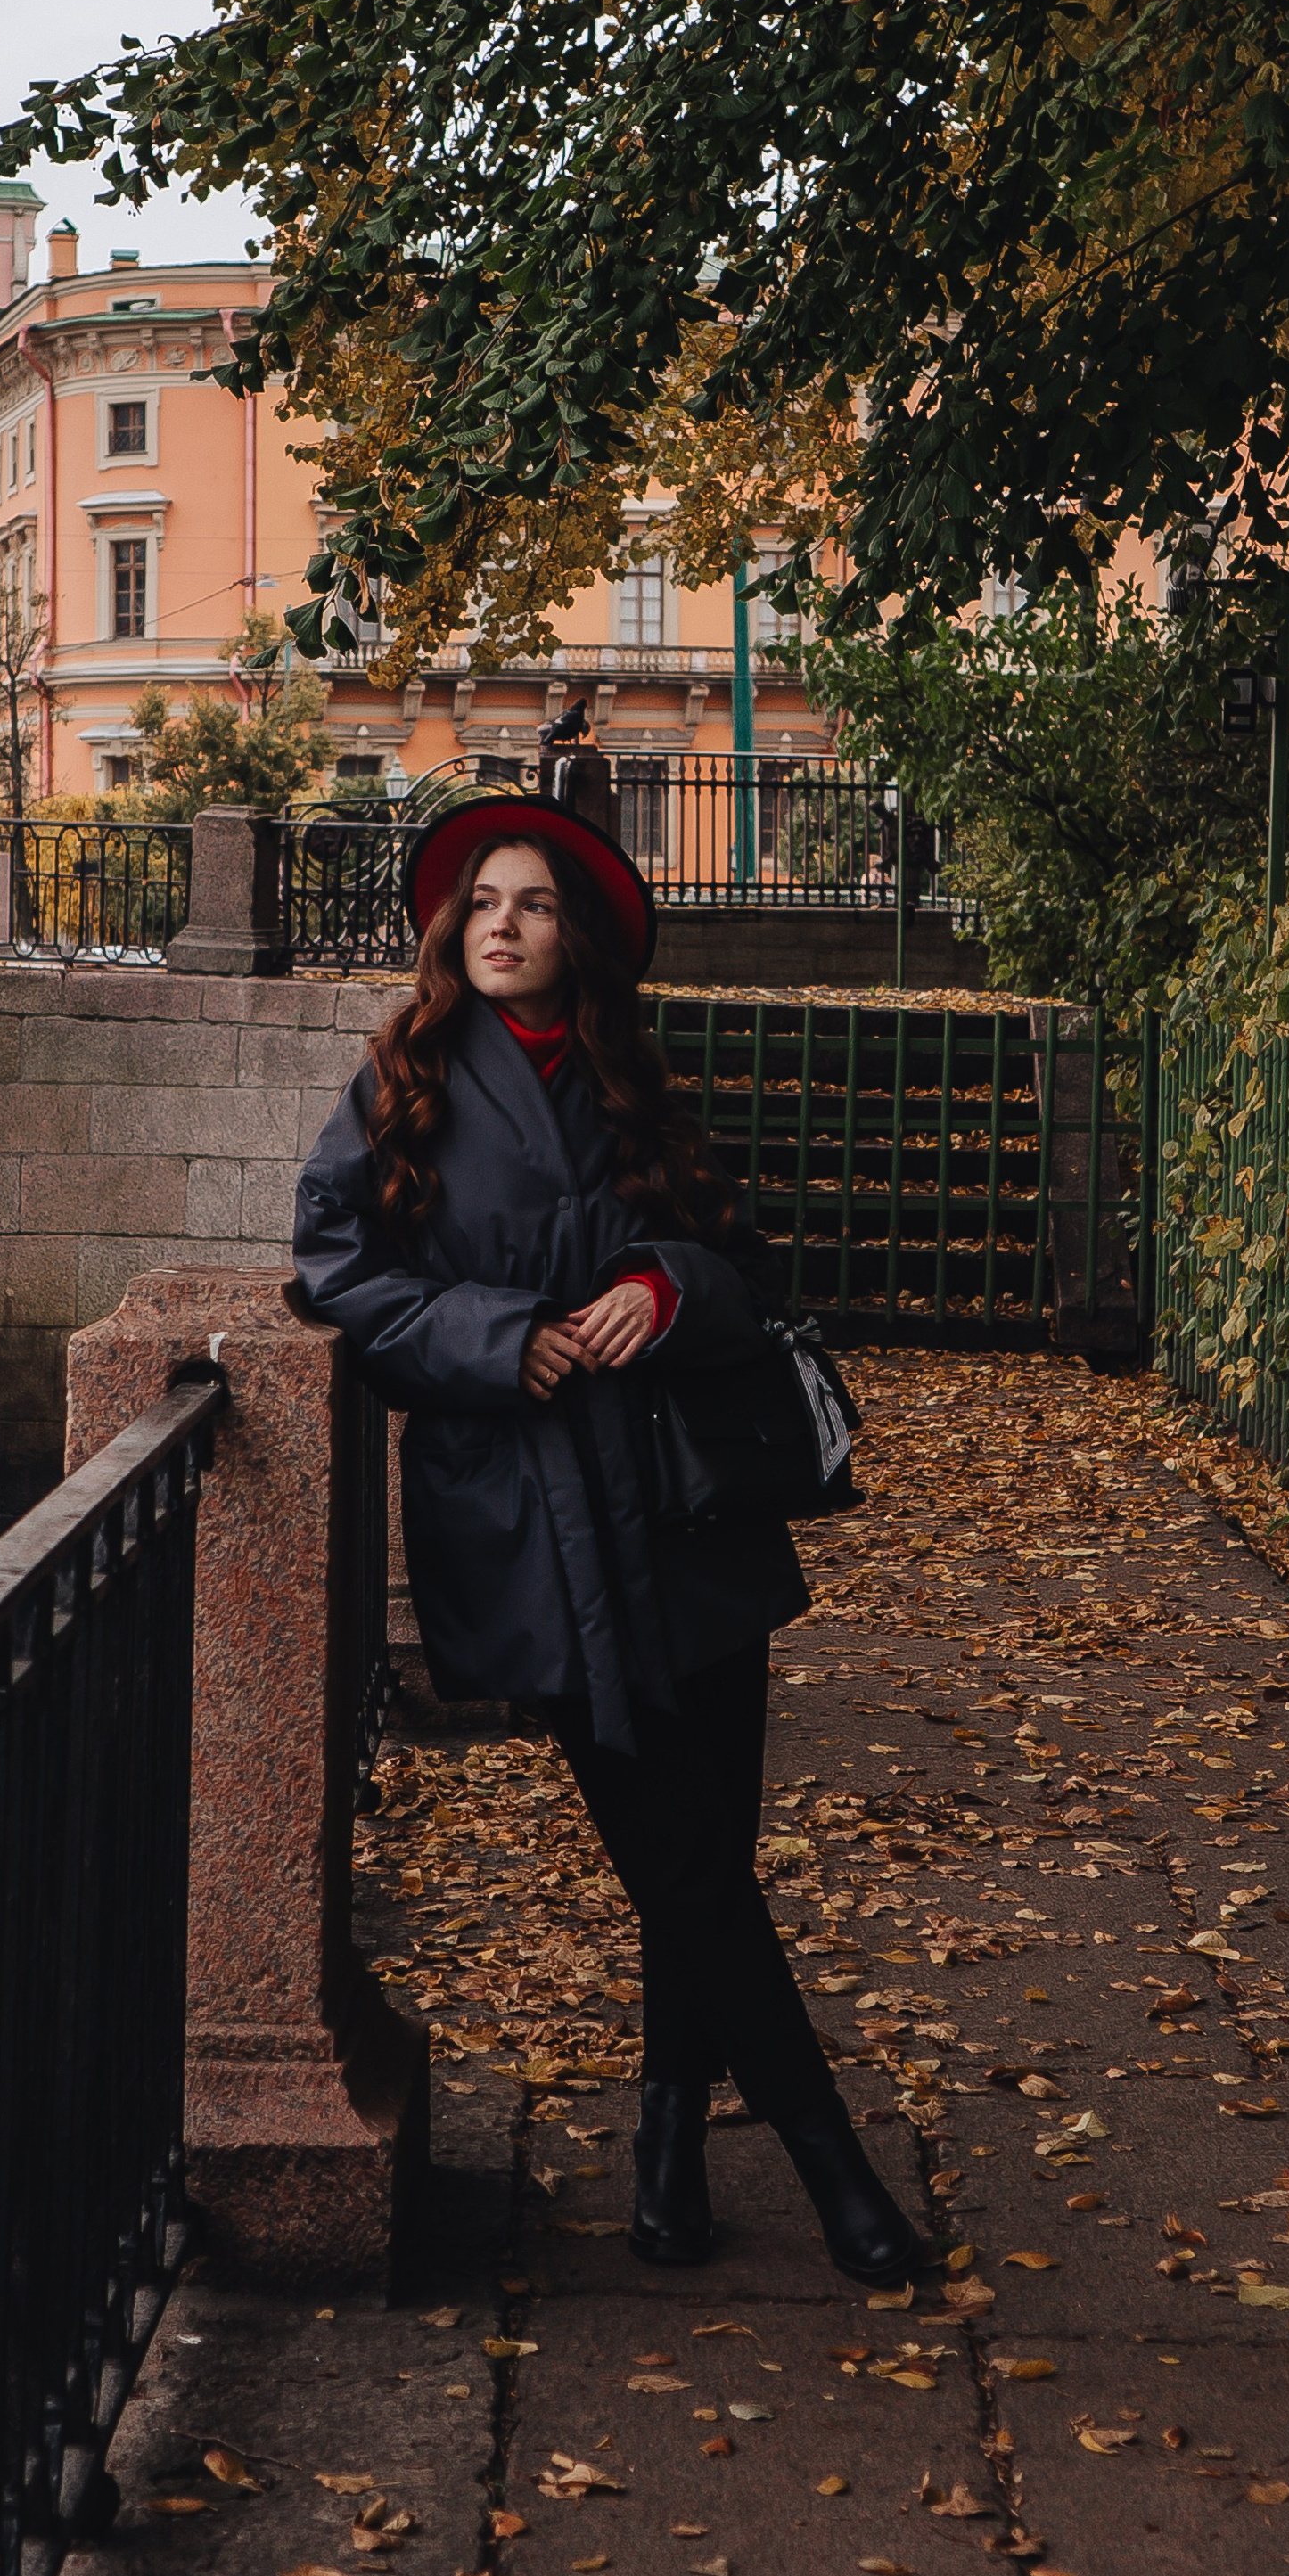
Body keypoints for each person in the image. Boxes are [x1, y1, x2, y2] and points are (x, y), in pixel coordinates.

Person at [293, 794, 924, 2281]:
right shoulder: (405, 1080)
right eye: (484, 905)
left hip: (687, 1513)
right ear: (456, 934)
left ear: (576, 938)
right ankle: (840, 2182)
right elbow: (334, 1268)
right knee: (689, 1870)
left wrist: (667, 1288)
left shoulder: (635, 1079)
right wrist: (496, 1336)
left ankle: (667, 2157)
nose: (502, 925)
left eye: (534, 906)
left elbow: (742, 1261)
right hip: (536, 1527)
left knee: (699, 1862)